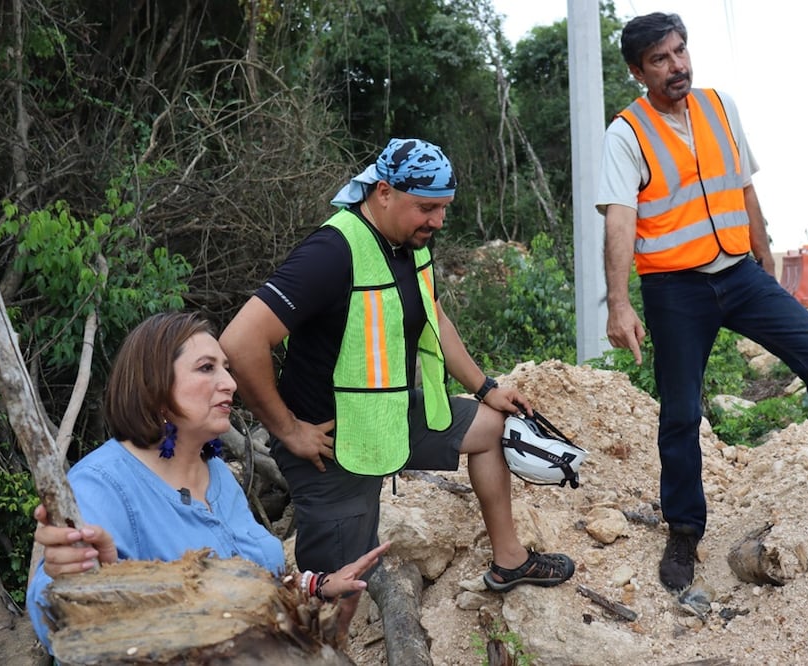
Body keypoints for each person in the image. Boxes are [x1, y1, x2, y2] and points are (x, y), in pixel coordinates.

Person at [597, 13, 808, 592]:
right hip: (675, 289)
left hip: (740, 273)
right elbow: (621, 221)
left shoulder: (719, 107)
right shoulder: (626, 133)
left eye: (681, 52)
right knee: (680, 411)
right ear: (638, 71)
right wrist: (618, 303)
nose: (677, 66)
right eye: (661, 59)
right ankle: (684, 529)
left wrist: (766, 252)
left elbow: (745, 186)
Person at [219, 137, 575, 630]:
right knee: (337, 595)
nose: (437, 221)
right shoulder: (333, 250)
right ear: (383, 192)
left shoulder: (409, 244)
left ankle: (509, 561)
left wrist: (484, 386)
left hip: (392, 417)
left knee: (492, 426)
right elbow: (239, 343)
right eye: (426, 208)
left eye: (444, 209)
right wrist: (287, 430)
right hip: (333, 447)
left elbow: (436, 317)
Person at [27, 312, 389, 652]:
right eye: (206, 368)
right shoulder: (101, 485)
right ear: (154, 384)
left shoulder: (216, 474)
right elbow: (58, 621)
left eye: (227, 369)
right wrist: (79, 580)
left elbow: (255, 582)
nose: (230, 383)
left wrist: (318, 586)